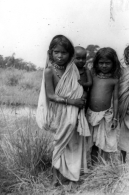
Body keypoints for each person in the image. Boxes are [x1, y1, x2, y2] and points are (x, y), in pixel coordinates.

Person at [36, 35, 90, 186]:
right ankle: (55, 178)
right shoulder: (49, 71)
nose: (60, 56)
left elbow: (81, 87)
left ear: (70, 54)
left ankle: (71, 174)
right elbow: (52, 96)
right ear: (50, 52)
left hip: (75, 110)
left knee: (73, 143)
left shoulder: (73, 69)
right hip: (59, 111)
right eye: (56, 52)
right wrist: (72, 101)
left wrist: (82, 98)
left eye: (64, 53)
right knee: (59, 143)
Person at [87, 47, 120, 164]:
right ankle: (93, 166)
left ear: (113, 63)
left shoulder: (114, 80)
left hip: (106, 116)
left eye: (107, 63)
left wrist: (115, 118)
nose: (104, 66)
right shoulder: (92, 75)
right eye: (101, 63)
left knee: (105, 143)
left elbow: (115, 99)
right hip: (90, 115)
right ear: (96, 63)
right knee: (93, 143)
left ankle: (104, 168)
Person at [74, 46, 92, 111]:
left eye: (83, 58)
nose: (81, 60)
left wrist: (83, 83)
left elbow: (90, 83)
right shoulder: (70, 71)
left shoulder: (86, 70)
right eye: (78, 58)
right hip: (72, 95)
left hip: (83, 94)